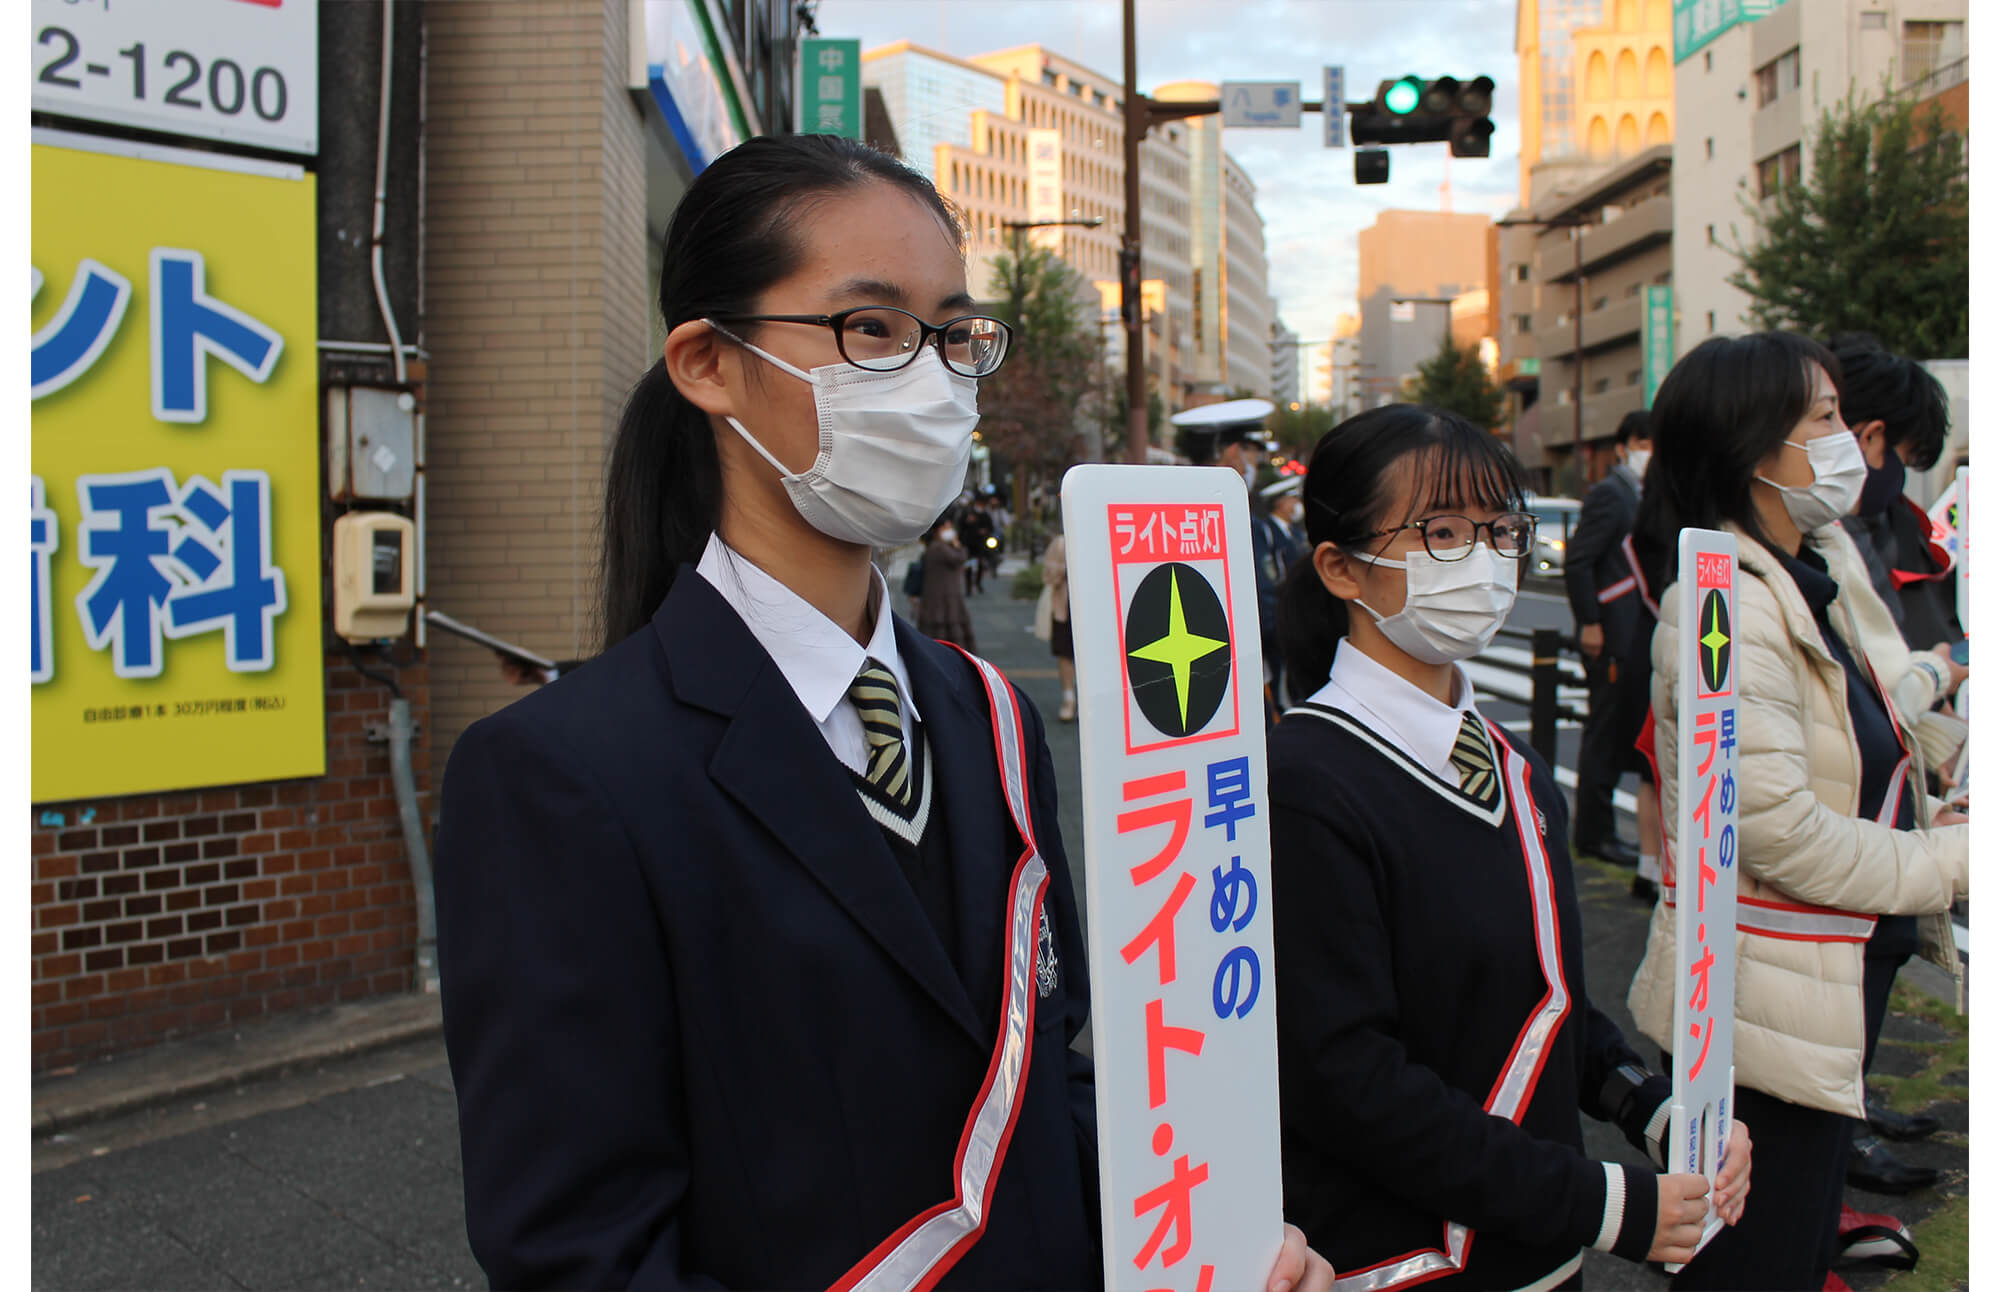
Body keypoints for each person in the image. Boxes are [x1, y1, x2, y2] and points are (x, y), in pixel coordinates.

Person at [432, 132, 1332, 1292]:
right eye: (869, 328)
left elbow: (1045, 1087)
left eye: (951, 333)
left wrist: (1202, 1252)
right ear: (707, 362)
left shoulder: (992, 715)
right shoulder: (558, 774)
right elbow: (580, 1252)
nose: (929, 377)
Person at [1269, 404, 1750, 1290]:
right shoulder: (1301, 782)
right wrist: (1604, 1203)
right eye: (1442, 531)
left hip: (1538, 1250)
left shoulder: (1517, 768)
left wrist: (1654, 1109)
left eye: (1501, 530)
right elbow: (1350, 1085)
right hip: (1404, 1263)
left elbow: (1550, 998)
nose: (1484, 559)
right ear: (1340, 567)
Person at [1625, 331, 1967, 1292]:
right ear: (1753, 449)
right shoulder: (1719, 603)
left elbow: (1858, 730)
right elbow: (1774, 833)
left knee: (1794, 1246)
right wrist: (1953, 861)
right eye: (1821, 420)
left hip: (1805, 993)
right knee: (1757, 1262)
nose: (1846, 441)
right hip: (1755, 1012)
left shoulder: (1802, 575)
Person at [1822, 333, 1967, 1201]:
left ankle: (1849, 1116)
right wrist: (1941, 669)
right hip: (1855, 811)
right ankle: (1836, 1136)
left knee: (1879, 953)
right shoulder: (1806, 539)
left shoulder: (1857, 525)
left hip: (1890, 782)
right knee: (1855, 960)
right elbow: (1870, 682)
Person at [1564, 409, 1652, 872]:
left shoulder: (1641, 493)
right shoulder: (1612, 494)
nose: (1648, 452)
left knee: (1619, 733)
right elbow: (1578, 561)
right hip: (1611, 632)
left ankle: (1600, 832)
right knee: (1604, 732)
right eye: (1642, 442)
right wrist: (1590, 622)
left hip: (1631, 630)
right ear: (1623, 447)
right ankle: (1595, 834)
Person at [1174, 400, 1281, 723]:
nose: (1254, 464)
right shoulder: (1234, 517)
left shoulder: (1172, 511)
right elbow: (1263, 607)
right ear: (1233, 451)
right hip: (1238, 675)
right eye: (1252, 453)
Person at [917, 515, 978, 653]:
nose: (950, 530)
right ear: (938, 530)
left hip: (941, 593)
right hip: (944, 595)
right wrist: (958, 545)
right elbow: (959, 558)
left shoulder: (936, 546)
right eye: (946, 527)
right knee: (946, 625)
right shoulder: (939, 548)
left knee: (941, 626)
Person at [1041, 528, 1075, 722]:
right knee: (1064, 653)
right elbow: (1048, 575)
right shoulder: (1061, 543)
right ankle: (1069, 698)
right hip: (1064, 607)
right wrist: (1066, 566)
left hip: (1090, 608)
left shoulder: (1099, 537)